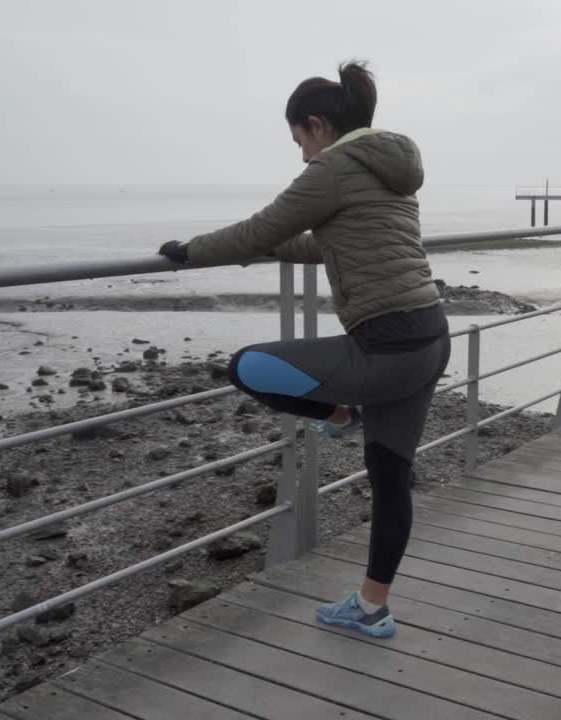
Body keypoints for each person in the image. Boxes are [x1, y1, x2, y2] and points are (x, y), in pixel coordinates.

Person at [158, 60, 449, 639]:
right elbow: (331, 242)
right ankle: (373, 609)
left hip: (385, 349)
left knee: (249, 367)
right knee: (390, 475)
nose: (301, 155)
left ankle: (340, 414)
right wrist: (278, 248)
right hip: (430, 337)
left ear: (317, 124)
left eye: (299, 140)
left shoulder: (333, 167)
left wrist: (188, 251)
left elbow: (259, 229)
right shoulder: (392, 169)